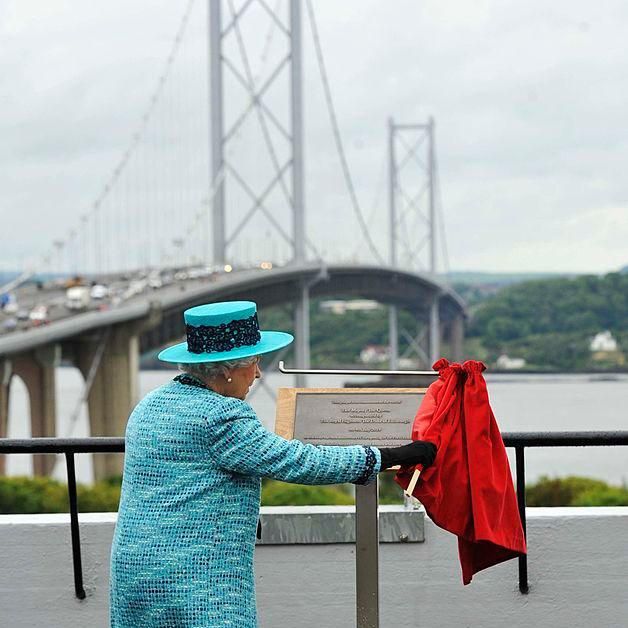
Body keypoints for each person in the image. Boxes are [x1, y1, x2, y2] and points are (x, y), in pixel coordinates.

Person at [110, 300, 436, 627]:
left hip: (134, 572)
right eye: (253, 362)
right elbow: (300, 461)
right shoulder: (221, 417)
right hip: (194, 581)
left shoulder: (149, 406)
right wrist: (388, 456)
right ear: (225, 370)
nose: (257, 373)